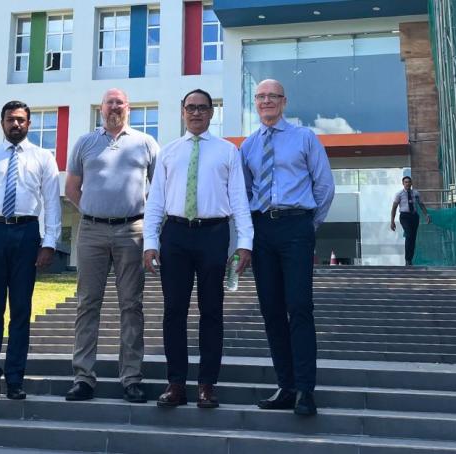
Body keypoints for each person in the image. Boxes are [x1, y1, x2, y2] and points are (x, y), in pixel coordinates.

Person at [143, 89, 253, 409]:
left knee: (212, 311)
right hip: (175, 234)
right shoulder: (168, 152)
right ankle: (176, 383)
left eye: (202, 108)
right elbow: (156, 203)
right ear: (182, 112)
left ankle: (207, 384)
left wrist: (244, 244)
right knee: (174, 312)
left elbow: (239, 202)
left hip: (213, 235)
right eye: (190, 108)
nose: (196, 113)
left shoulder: (228, 152)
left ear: (211, 113)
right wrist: (150, 242)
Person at [241, 79, 335, 417]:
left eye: (272, 96)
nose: (266, 101)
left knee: (299, 307)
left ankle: (306, 390)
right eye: (261, 97)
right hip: (262, 230)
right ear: (256, 102)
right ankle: (286, 385)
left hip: (296, 226)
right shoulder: (248, 146)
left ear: (284, 101)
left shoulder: (305, 137)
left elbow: (324, 185)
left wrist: (308, 226)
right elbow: (246, 194)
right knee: (271, 310)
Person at [64, 88, 159, 403]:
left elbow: (159, 190)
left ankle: (131, 378)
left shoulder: (145, 143)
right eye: (109, 102)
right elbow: (72, 188)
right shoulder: (85, 142)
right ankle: (83, 378)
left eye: (120, 102)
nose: (114, 107)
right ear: (101, 108)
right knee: (87, 304)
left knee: (131, 306)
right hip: (92, 232)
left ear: (128, 107)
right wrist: (95, 212)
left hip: (133, 231)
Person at [0, 100, 61, 401]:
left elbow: (52, 202)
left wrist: (50, 242)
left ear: (29, 124)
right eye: (10, 120)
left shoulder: (43, 158)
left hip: (27, 233)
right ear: (2, 123)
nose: (15, 124)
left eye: (20, 120)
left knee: (20, 308)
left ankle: (15, 379)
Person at [390, 176, 431, 266]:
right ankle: (407, 259)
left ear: (411, 183)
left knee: (413, 238)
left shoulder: (416, 193)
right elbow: (394, 208)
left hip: (414, 216)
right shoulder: (399, 194)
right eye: (406, 182)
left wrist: (426, 215)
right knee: (408, 235)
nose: (407, 183)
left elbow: (421, 204)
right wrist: (392, 221)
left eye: (409, 182)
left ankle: (410, 259)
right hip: (405, 216)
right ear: (403, 183)